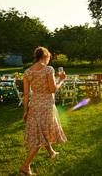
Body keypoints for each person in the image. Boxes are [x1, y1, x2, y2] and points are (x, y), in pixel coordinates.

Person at [19, 47, 67, 175]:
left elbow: (26, 94)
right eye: (49, 58)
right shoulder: (48, 69)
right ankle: (26, 165)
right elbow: (52, 89)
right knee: (41, 136)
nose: (49, 61)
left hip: (34, 106)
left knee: (42, 131)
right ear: (46, 56)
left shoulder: (27, 72)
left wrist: (25, 111)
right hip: (46, 106)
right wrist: (61, 79)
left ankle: (51, 153)